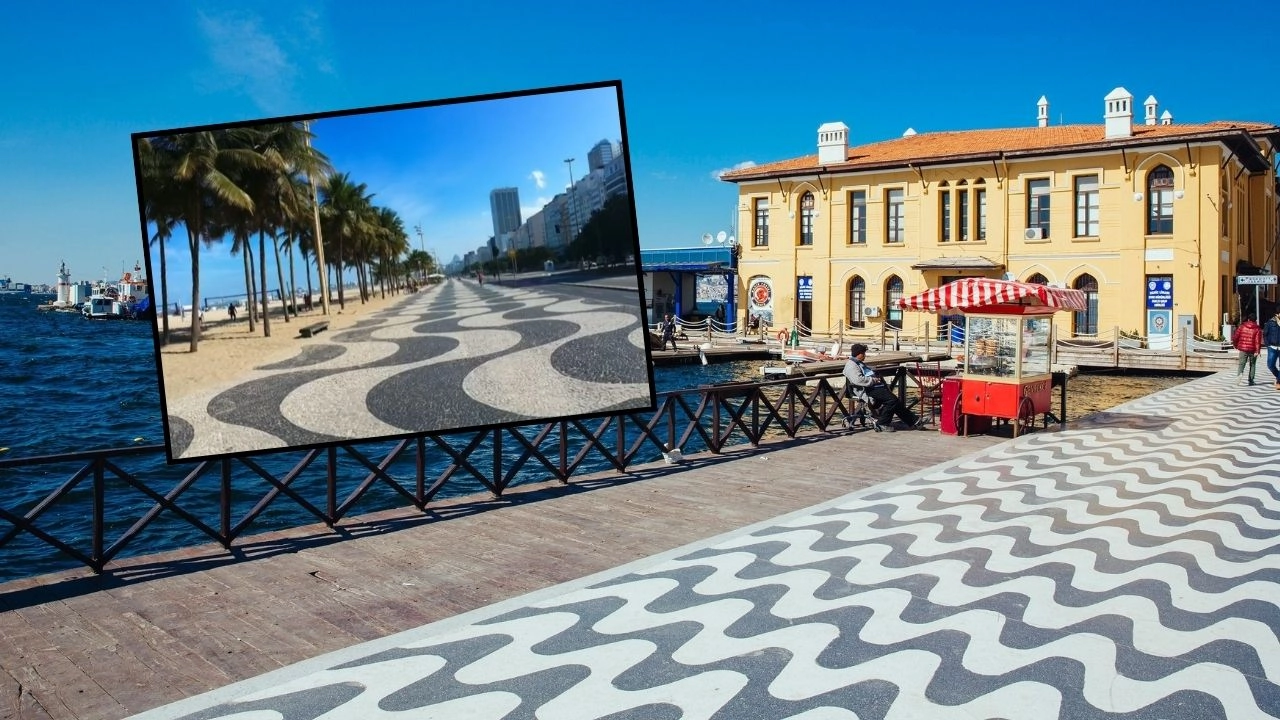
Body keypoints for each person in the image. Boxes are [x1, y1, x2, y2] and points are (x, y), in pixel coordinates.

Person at [843, 343, 924, 432]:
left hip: (873, 387)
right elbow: (858, 380)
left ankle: (914, 421)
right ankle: (882, 423)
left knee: (894, 401)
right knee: (892, 400)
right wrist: (873, 380)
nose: (865, 355)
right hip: (866, 390)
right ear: (859, 354)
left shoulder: (858, 363)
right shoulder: (851, 365)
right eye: (864, 353)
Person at [1232, 314, 1262, 385]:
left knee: (1241, 364)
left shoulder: (1242, 327)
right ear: (1256, 320)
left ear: (1248, 319)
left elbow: (1235, 337)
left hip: (1243, 349)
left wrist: (1235, 345)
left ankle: (1239, 375)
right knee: (1253, 365)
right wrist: (1257, 351)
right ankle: (1251, 380)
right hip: (1253, 350)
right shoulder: (1257, 329)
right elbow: (1257, 341)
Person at [1264, 309, 1280, 390]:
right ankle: (1278, 377)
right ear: (1277, 314)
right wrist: (1268, 345)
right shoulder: (1270, 323)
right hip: (1272, 347)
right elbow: (1265, 334)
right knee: (1270, 365)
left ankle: (1279, 382)